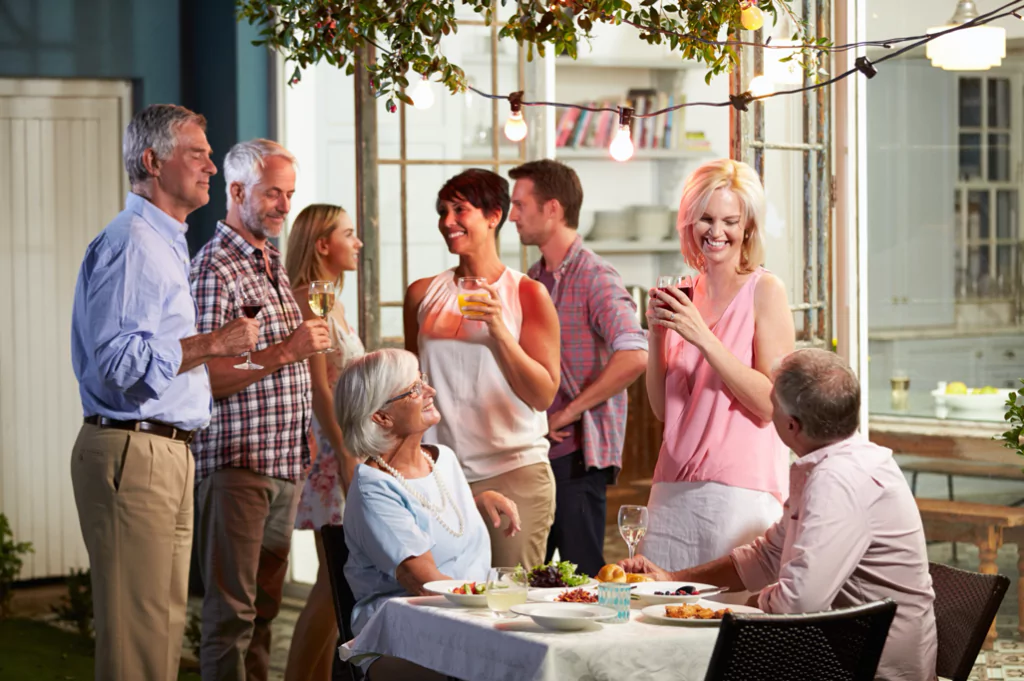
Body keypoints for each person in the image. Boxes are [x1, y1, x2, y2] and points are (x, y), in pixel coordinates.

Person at [69, 104, 259, 681]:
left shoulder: (165, 241)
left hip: (164, 451)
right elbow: (117, 363)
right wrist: (214, 342)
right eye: (196, 154)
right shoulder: (134, 243)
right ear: (153, 162)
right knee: (136, 647)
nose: (211, 167)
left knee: (158, 637)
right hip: (135, 450)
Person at [621, 349, 938, 681]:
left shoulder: (838, 480)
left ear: (791, 425)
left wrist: (747, 605)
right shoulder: (834, 462)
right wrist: (675, 581)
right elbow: (766, 555)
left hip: (868, 668)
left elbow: (799, 604)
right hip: (840, 650)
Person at [189, 139, 331, 681]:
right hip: (237, 467)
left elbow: (275, 369)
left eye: (289, 194)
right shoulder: (214, 270)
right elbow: (206, 377)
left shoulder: (269, 261)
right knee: (231, 618)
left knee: (264, 613)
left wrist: (304, 428)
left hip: (282, 462)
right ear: (237, 190)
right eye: (273, 193)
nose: (283, 206)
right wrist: (286, 352)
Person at [642, 158, 795, 575]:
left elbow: (771, 405)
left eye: (730, 220)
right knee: (659, 618)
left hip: (740, 491)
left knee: (731, 624)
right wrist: (656, 335)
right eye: (705, 218)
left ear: (748, 227)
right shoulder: (684, 294)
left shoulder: (766, 291)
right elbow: (662, 409)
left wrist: (703, 337)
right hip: (672, 489)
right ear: (689, 222)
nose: (716, 231)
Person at [404, 168, 560, 569]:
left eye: (460, 210)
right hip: (440, 477)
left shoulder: (527, 293)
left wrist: (498, 332)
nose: (447, 222)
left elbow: (543, 394)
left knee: (510, 606)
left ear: (494, 216)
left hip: (514, 472)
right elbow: (412, 385)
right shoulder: (422, 293)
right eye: (443, 211)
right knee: (446, 605)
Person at [339, 349, 520, 680]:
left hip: (468, 621)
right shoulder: (373, 487)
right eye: (413, 389)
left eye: (422, 379)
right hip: (405, 633)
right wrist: (505, 601)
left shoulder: (442, 459)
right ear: (381, 417)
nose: (430, 390)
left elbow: (430, 516)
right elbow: (426, 584)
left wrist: (476, 501)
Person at [508, 159, 648, 577]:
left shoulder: (596, 276)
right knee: (530, 579)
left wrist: (567, 413)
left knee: (586, 581)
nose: (512, 215)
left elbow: (635, 354)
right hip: (536, 453)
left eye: (520, 205)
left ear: (552, 208)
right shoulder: (533, 279)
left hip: (577, 457)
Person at [284, 204, 364, 681]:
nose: (357, 243)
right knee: (331, 583)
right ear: (322, 245)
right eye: (349, 235)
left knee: (333, 583)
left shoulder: (332, 300)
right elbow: (319, 388)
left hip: (342, 448)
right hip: (332, 454)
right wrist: (347, 453)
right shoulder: (311, 299)